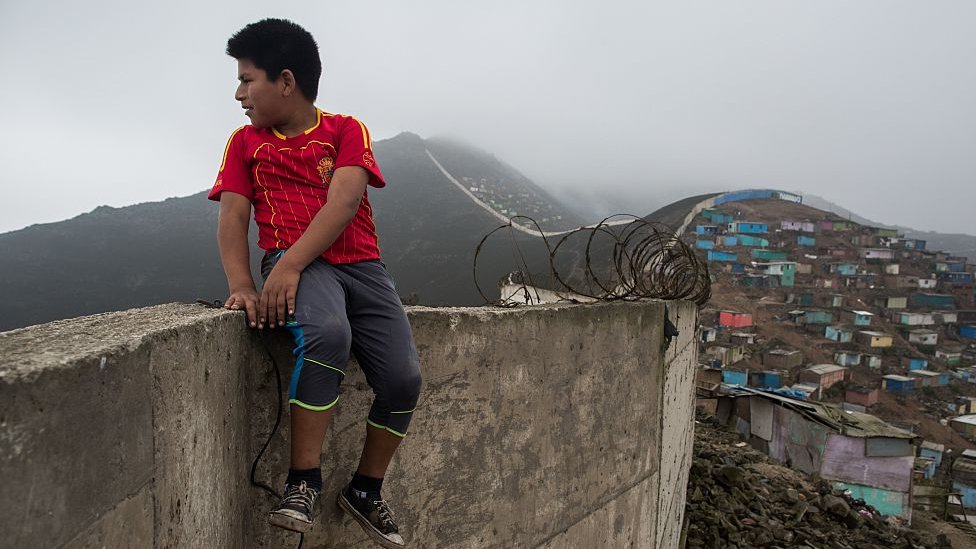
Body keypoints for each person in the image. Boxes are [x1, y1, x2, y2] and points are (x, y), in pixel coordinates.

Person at [208, 18, 422, 548]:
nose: (239, 94)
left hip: (361, 266)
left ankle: (367, 489)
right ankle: (302, 481)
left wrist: (287, 268)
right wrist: (243, 282)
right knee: (327, 335)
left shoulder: (347, 130)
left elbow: (344, 202)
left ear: (285, 80)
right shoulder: (245, 144)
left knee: (403, 380)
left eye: (247, 80)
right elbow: (233, 218)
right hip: (297, 261)